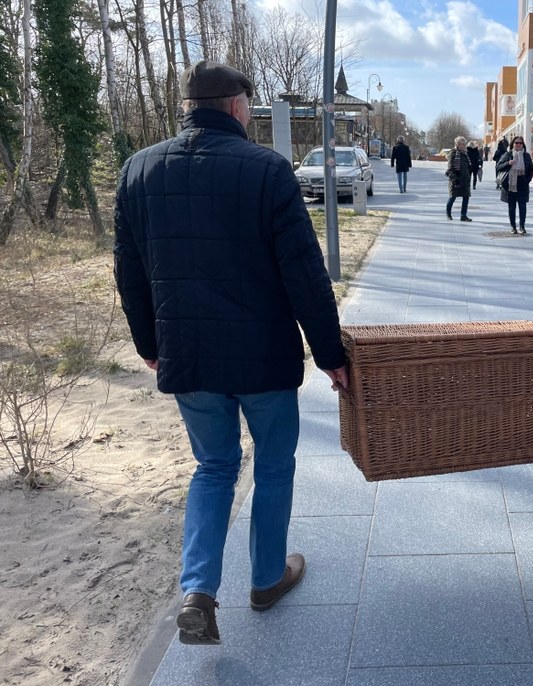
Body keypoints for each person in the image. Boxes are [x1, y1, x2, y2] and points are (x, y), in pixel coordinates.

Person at [113, 60, 349, 646]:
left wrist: (150, 345)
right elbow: (304, 273)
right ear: (239, 104)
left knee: (213, 467)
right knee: (272, 464)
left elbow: (130, 274)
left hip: (187, 356)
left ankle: (197, 591)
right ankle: (267, 578)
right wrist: (329, 352)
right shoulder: (267, 170)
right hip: (262, 356)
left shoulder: (138, 170)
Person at [496, 136, 533, 235]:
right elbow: (498, 166)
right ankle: (513, 226)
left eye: (520, 143)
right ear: (513, 144)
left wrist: (527, 180)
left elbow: (531, 169)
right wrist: (508, 163)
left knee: (522, 206)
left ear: (523, 145)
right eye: (516, 143)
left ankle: (522, 226)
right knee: (512, 207)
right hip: (510, 185)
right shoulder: (507, 154)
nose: (518, 144)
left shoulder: (526, 156)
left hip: (522, 184)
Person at [445, 136, 472, 221]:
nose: (464, 146)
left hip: (465, 179)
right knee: (452, 197)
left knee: (466, 197)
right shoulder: (453, 154)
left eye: (464, 144)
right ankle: (448, 214)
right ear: (457, 144)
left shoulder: (465, 154)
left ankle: (463, 215)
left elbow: (468, 166)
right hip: (456, 180)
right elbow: (450, 169)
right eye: (462, 144)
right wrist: (455, 179)